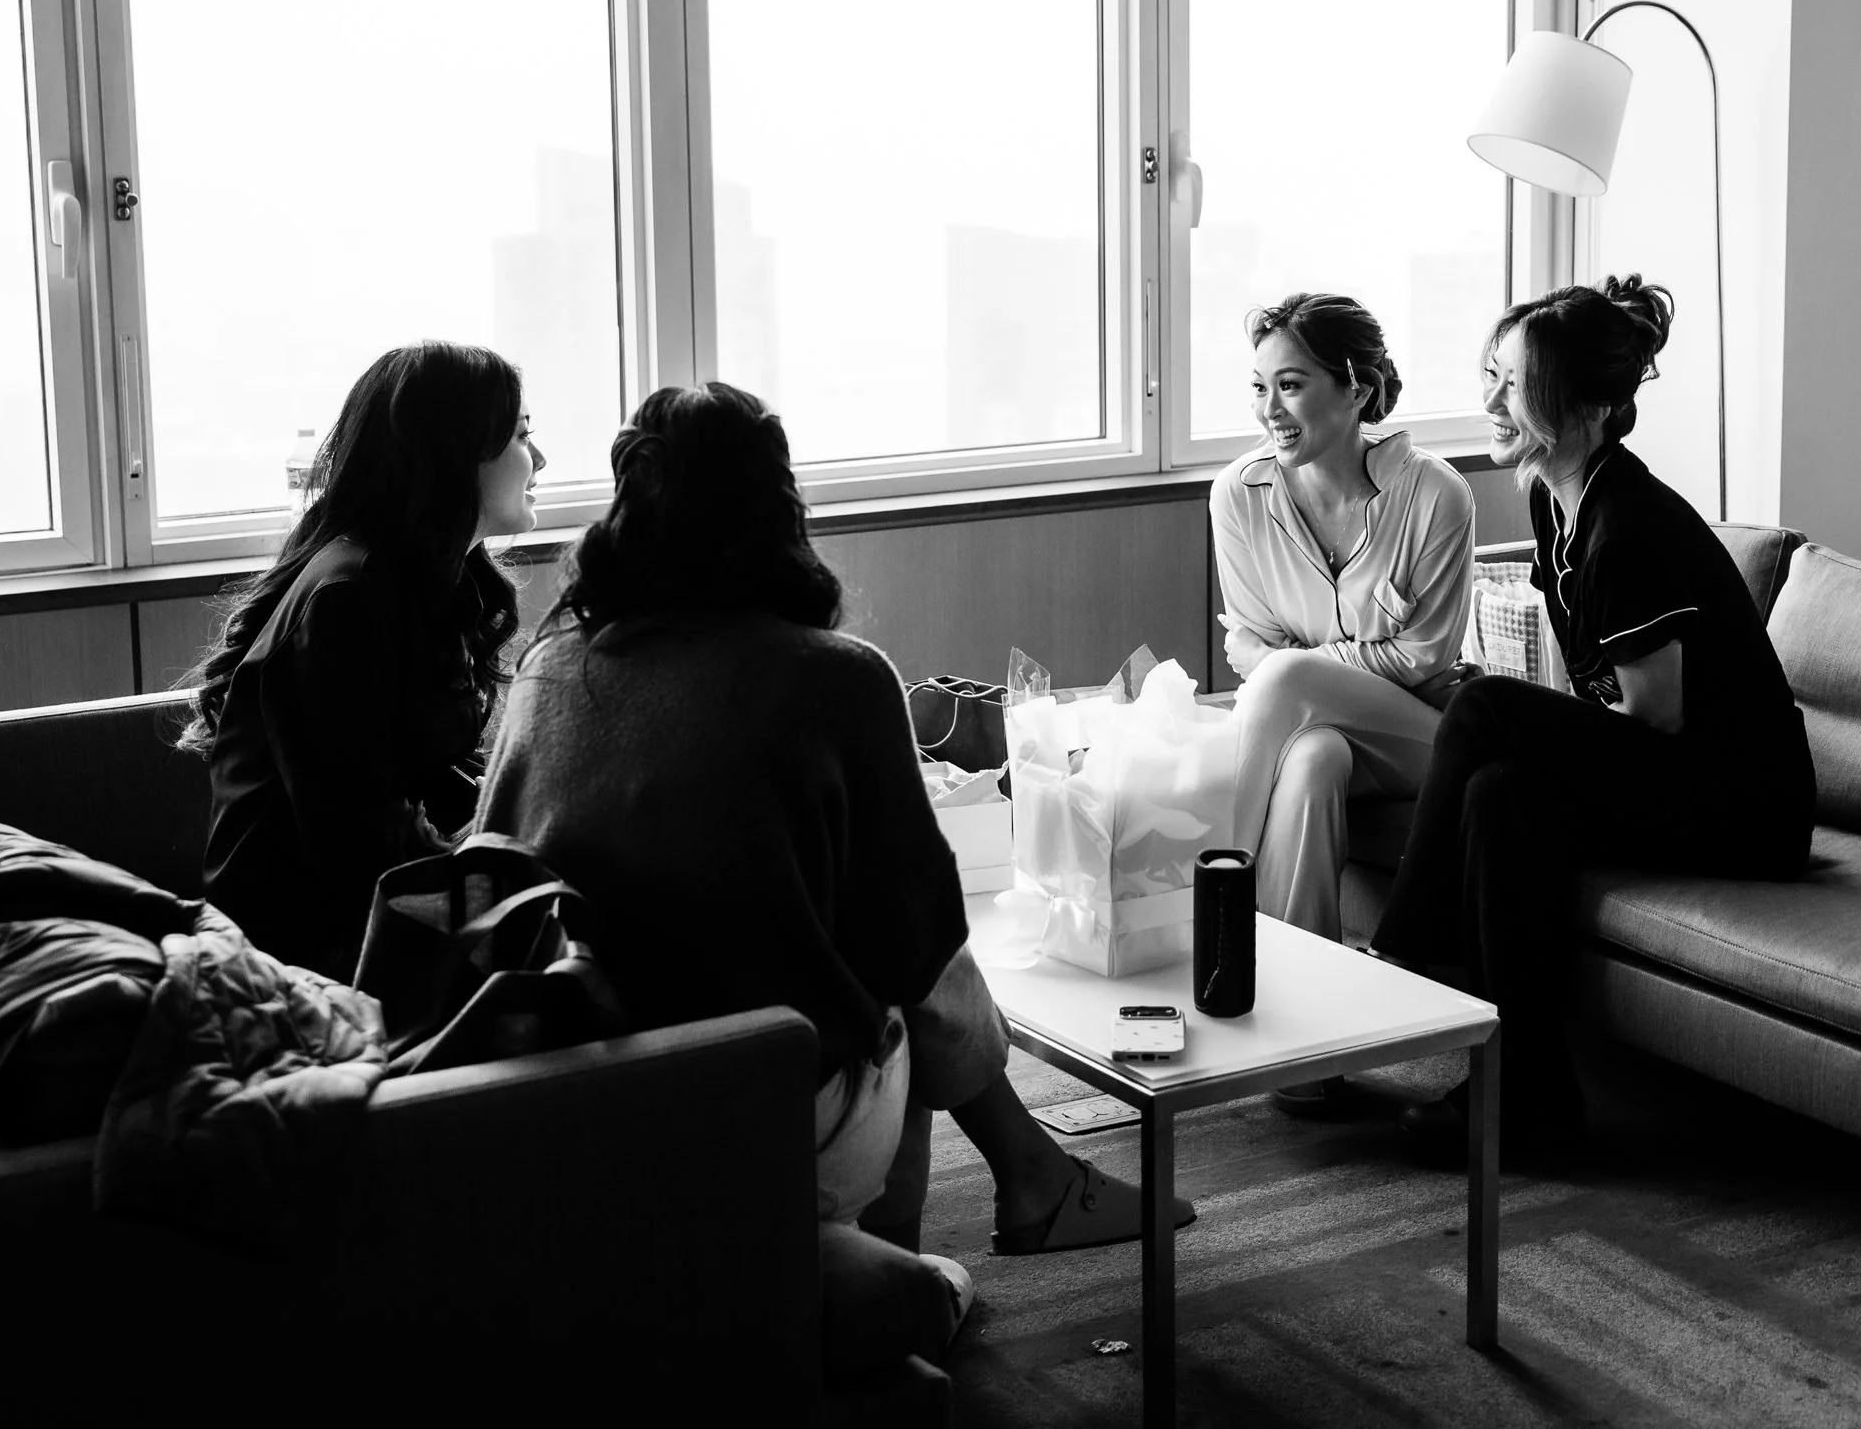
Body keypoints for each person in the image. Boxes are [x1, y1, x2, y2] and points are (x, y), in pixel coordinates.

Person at [477, 384, 1191, 1387]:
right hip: (755, 1093)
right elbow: (914, 937)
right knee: (906, 973)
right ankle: (976, 1215)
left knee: (875, 948)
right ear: (780, 506)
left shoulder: (546, 663)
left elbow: (491, 862)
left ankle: (1007, 1184)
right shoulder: (838, 674)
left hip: (567, 1087)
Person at [1371, 279, 1814, 1160]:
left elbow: (1652, 722)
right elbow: (1596, 707)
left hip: (1743, 806)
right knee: (1500, 793)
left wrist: (1531, 727)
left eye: (1511, 384)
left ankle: (1402, 956)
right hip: (1672, 773)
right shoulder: (1551, 494)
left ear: (1584, 404)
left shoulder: (1630, 523)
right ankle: (1531, 1099)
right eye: (1490, 376)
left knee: (1486, 706)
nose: (1490, 401)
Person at [186, 341, 544, 983]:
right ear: (454, 454)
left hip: (370, 910)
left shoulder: (420, 581)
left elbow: (426, 787)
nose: (539, 459)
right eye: (522, 437)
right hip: (305, 950)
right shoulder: (348, 600)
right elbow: (359, 845)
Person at [1212, 295, 1474, 1109]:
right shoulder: (1239, 495)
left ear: (1356, 387)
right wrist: (1286, 667)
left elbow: (1421, 656)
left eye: (1289, 385)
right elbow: (1244, 642)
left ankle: (1207, 902)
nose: (1270, 411)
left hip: (1426, 741)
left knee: (1287, 683)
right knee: (1315, 754)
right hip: (1312, 742)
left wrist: (1293, 666)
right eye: (1259, 388)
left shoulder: (1437, 495)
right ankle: (1304, 1051)